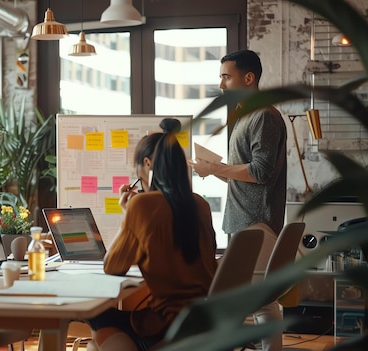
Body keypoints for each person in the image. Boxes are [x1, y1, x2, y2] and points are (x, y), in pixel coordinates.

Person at [86, 118, 218, 351]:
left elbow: (113, 267)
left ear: (147, 164)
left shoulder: (143, 205)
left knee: (99, 314)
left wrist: (127, 215)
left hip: (167, 324)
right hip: (206, 320)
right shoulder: (200, 204)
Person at [189, 49, 287, 351]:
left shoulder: (264, 116)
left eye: (226, 77)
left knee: (260, 302)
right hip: (244, 221)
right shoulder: (246, 116)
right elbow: (244, 174)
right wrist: (211, 170)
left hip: (256, 222)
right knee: (258, 301)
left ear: (248, 78)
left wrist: (215, 168)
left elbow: (260, 171)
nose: (221, 85)